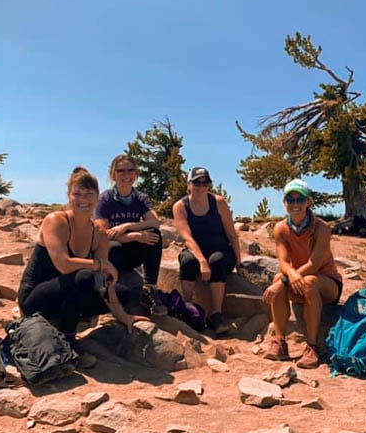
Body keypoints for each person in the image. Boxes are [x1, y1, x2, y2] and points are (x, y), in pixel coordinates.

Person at [18, 167, 149, 368]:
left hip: (67, 294)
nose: (83, 199)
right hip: (36, 297)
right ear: (69, 196)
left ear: (97, 197)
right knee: (85, 276)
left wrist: (122, 314)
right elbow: (63, 265)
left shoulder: (99, 233)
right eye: (77, 193)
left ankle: (66, 319)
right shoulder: (56, 221)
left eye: (89, 194)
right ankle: (69, 340)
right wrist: (100, 264)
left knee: (122, 293)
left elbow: (106, 280)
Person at [262, 178, 343, 369]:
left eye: (300, 199)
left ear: (308, 202)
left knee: (307, 281)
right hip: (297, 279)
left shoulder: (321, 228)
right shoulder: (281, 228)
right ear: (285, 202)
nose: (295, 204)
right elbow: (283, 261)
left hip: (326, 283)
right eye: (291, 199)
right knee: (279, 279)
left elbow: (314, 263)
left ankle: (312, 346)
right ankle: (280, 342)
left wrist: (285, 280)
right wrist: (287, 276)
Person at [94, 154, 167, 316]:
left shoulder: (141, 198)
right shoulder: (105, 199)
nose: (126, 175)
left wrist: (129, 226)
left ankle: (150, 287)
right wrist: (133, 236)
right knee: (113, 247)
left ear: (136, 174)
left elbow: (155, 223)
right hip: (112, 253)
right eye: (121, 171)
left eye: (130, 170)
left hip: (131, 252)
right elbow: (102, 235)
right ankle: (109, 292)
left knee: (154, 235)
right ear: (113, 175)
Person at [172, 167, 241, 335]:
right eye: (196, 182)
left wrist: (239, 263)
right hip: (196, 250)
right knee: (188, 262)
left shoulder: (218, 202)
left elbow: (232, 234)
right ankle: (187, 308)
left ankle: (216, 314)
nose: (200, 186)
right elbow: (187, 237)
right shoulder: (180, 206)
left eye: (205, 182)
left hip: (221, 250)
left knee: (216, 261)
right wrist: (202, 261)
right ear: (188, 184)